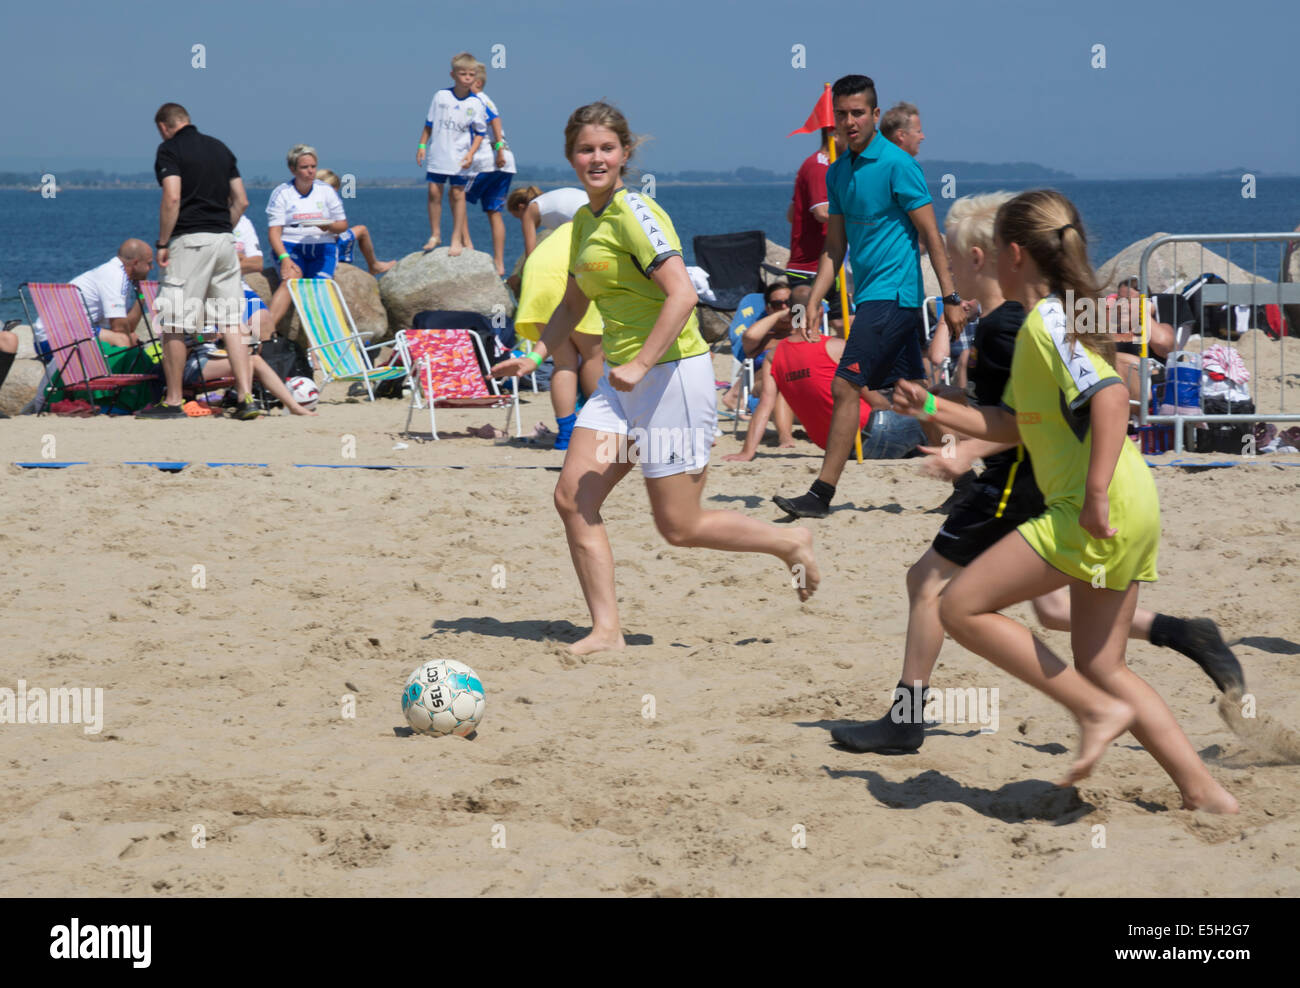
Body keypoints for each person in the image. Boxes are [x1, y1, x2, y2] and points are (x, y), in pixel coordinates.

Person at [830, 192, 1244, 754]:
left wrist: (966, 450)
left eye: (951, 262)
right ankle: (1176, 636)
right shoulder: (1020, 319)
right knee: (1054, 611)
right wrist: (928, 400)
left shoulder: (1009, 328)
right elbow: (1008, 402)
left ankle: (908, 718)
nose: (946, 273)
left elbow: (1021, 420)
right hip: (1053, 484)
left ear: (987, 258)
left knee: (928, 584)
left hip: (1018, 483)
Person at [490, 102, 820, 654]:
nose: (596, 158)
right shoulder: (584, 224)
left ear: (624, 154)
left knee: (679, 527)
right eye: (585, 150)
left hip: (670, 378)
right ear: (571, 157)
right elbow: (573, 303)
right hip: (621, 388)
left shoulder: (634, 211)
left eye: (606, 149)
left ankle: (790, 540)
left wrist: (641, 362)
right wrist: (536, 354)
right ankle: (607, 630)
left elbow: (683, 294)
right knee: (572, 498)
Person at [773, 75, 964, 518]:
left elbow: (931, 235)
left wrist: (950, 297)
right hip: (870, 297)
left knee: (845, 385)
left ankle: (820, 495)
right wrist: (815, 300)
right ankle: (968, 481)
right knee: (912, 394)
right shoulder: (838, 172)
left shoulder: (898, 164)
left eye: (858, 112)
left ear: (875, 116)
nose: (849, 121)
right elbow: (834, 249)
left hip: (894, 295)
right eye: (841, 114)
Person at [145, 102, 257, 420]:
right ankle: (247, 398)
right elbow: (242, 200)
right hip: (224, 240)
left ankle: (173, 401)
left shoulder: (169, 150)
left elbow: (173, 197)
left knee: (174, 322)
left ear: (165, 126)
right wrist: (223, 227)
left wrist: (163, 242)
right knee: (232, 321)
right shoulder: (221, 148)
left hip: (190, 241)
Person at [724, 284, 924, 462]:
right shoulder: (837, 347)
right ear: (819, 311)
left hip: (838, 449)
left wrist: (747, 451)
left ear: (791, 314)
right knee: (933, 409)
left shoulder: (773, 357)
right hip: (873, 432)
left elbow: (764, 406)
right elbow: (877, 403)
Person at [512, 220, 603, 449]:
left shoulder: (563, 230)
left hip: (538, 281)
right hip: (569, 277)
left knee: (564, 363)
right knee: (593, 357)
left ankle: (565, 435)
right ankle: (597, 428)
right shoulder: (600, 225)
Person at [264, 145, 348, 334]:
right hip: (292, 246)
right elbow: (274, 233)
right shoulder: (282, 193)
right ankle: (263, 333)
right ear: (293, 169)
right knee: (291, 282)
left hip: (322, 246)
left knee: (320, 290)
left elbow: (343, 225)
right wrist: (284, 259)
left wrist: (328, 226)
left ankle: (316, 353)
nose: (310, 171)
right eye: (304, 167)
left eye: (313, 166)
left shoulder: (326, 191)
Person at [416, 52, 488, 254]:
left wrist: (471, 154)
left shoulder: (476, 104)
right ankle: (435, 234)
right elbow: (429, 124)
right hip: (438, 153)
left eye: (471, 74)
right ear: (453, 74)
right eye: (463, 73)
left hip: (460, 157)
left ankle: (457, 238)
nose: (467, 77)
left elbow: (480, 133)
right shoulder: (441, 97)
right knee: (433, 192)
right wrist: (422, 146)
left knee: (458, 195)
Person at [785, 128, 843, 332]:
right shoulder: (819, 166)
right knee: (802, 327)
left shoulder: (834, 167)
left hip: (829, 263)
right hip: (807, 268)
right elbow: (821, 212)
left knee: (844, 322)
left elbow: (792, 214)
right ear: (835, 135)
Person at [466, 62, 516, 277]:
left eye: (467, 79)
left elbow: (495, 121)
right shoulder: (488, 100)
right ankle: (499, 263)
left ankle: (465, 244)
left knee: (456, 195)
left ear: (477, 82)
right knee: (494, 211)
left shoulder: (476, 100)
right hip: (505, 164)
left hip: (488, 160)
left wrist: (498, 151)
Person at [315, 169, 396, 276]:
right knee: (362, 230)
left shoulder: (311, 200)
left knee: (360, 229)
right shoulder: (327, 203)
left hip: (317, 243)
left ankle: (374, 265)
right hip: (330, 246)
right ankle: (374, 265)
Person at [507, 186, 589, 256]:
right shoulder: (547, 200)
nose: (523, 222)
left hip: (583, 219)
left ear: (521, 207)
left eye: (520, 218)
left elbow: (530, 257)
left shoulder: (529, 211)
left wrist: (520, 274)